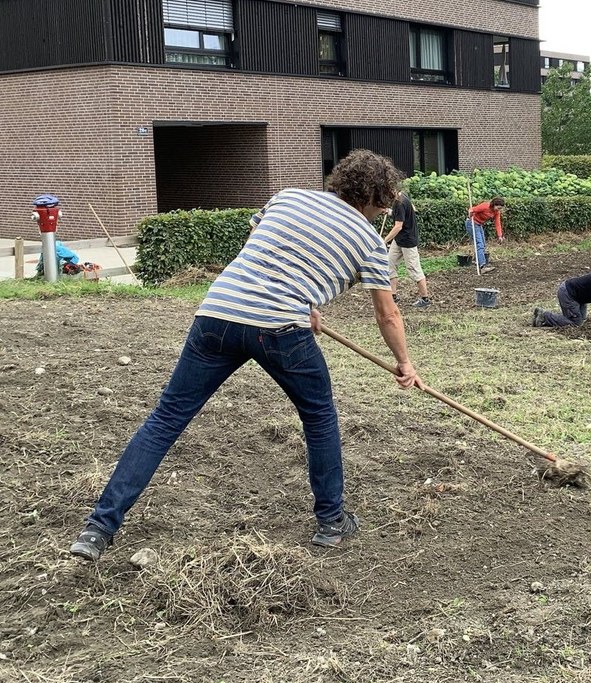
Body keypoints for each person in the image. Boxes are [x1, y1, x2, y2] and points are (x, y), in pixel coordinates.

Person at [68, 150, 422, 562]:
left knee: (166, 419)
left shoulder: (287, 197)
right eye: (384, 203)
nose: (384, 211)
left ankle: (97, 529)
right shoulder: (369, 241)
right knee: (319, 417)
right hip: (279, 330)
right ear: (375, 198)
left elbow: (258, 253)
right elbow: (387, 312)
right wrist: (405, 363)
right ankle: (331, 521)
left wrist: (303, 301)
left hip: (217, 313)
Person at [383, 183, 431, 308]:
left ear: (393, 190)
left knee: (413, 268)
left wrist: (384, 241)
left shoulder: (400, 202)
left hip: (408, 240)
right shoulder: (401, 197)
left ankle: (425, 299)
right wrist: (388, 212)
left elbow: (398, 226)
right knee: (390, 263)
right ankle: (393, 296)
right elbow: (402, 213)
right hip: (399, 240)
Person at [466, 197, 505, 274]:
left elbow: (497, 223)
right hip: (472, 223)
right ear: (494, 204)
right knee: (479, 244)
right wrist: (470, 213)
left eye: (500, 208)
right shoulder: (485, 206)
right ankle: (482, 266)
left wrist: (500, 236)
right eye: (498, 207)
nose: (498, 210)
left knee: (483, 244)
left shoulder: (496, 212)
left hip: (479, 224)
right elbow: (472, 209)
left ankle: (477, 260)